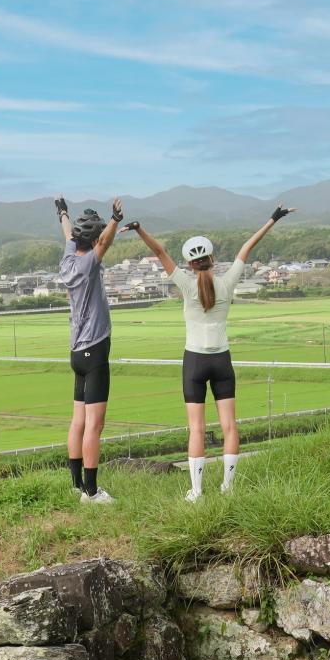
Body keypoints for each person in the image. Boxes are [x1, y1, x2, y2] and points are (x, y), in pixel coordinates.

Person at [127, 206, 294, 500]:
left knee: (197, 429)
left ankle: (196, 491)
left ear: (191, 265)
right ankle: (228, 488)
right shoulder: (227, 282)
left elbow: (160, 252)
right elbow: (248, 246)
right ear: (213, 259)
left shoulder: (186, 284)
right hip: (222, 360)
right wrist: (274, 218)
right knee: (229, 426)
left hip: (194, 361)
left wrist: (139, 229)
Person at [54, 194, 122, 504]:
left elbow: (68, 233)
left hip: (75, 353)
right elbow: (105, 244)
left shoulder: (68, 260)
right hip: (94, 353)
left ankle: (75, 485)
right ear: (92, 241)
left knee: (78, 421)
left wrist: (62, 212)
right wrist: (115, 220)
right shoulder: (88, 263)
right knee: (95, 424)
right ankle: (92, 493)